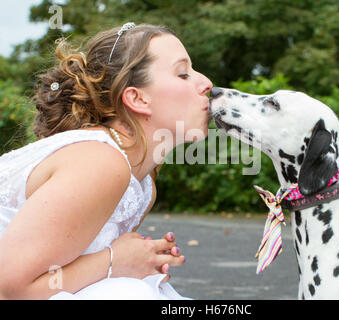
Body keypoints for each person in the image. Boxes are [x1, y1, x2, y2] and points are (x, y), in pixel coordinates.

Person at [0, 22, 213, 299]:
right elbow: (9, 288)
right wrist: (114, 262)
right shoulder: (100, 163)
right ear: (137, 98)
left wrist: (136, 263)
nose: (206, 82)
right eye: (183, 74)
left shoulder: (143, 184)